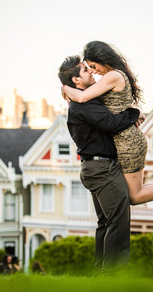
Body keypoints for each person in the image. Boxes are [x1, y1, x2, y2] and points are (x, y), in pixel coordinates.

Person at [62, 41, 153, 205]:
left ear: (102, 59)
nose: (94, 72)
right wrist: (134, 115)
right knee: (135, 191)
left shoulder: (112, 76)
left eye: (94, 66)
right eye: (90, 68)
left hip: (127, 142)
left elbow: (82, 97)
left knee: (134, 196)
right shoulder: (115, 75)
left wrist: (65, 89)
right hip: (125, 139)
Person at [59, 55, 142, 271]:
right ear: (76, 80)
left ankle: (101, 275)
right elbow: (111, 123)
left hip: (96, 168)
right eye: (85, 70)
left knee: (106, 223)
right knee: (117, 222)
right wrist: (134, 113)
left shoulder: (83, 100)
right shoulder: (83, 105)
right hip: (101, 169)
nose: (91, 72)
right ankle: (114, 277)